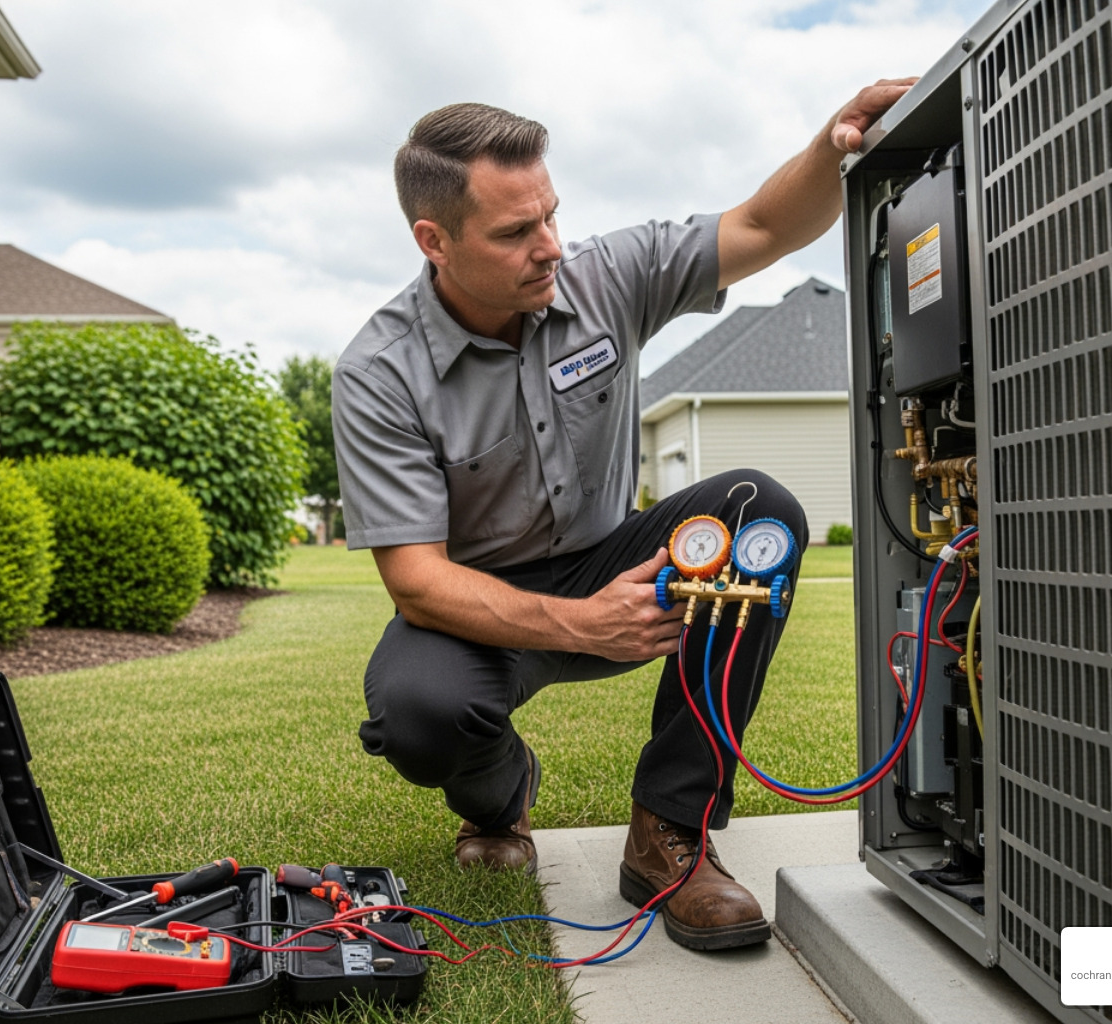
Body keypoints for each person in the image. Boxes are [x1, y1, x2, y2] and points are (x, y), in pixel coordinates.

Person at [332, 83, 913, 951]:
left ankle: (668, 830)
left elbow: (763, 226)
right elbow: (416, 581)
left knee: (760, 510)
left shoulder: (608, 275)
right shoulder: (380, 372)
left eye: (551, 215)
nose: (549, 247)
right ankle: (500, 796)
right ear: (434, 241)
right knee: (420, 713)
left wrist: (833, 147)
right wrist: (581, 624)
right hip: (478, 601)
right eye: (515, 232)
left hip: (618, 558)